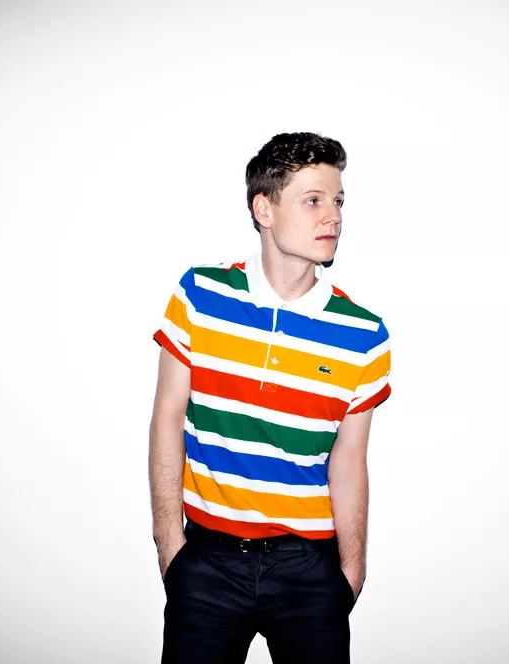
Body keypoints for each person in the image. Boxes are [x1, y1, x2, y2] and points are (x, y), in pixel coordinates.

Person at [148, 131, 392, 663]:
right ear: (264, 209)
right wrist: (169, 543)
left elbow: (349, 461)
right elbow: (167, 419)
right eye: (313, 200)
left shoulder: (364, 333)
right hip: (207, 563)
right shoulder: (201, 295)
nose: (333, 217)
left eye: (338, 201)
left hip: (309, 571)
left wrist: (352, 571)